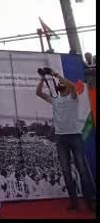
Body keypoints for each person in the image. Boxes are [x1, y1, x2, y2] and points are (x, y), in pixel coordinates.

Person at [36, 69, 95, 212]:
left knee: (82, 170)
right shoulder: (55, 100)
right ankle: (74, 202)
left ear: (66, 87)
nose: (61, 84)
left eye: (63, 83)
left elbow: (73, 87)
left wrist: (55, 74)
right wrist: (43, 78)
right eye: (60, 83)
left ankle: (90, 201)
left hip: (75, 136)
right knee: (66, 171)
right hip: (61, 139)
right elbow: (38, 93)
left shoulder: (73, 97)